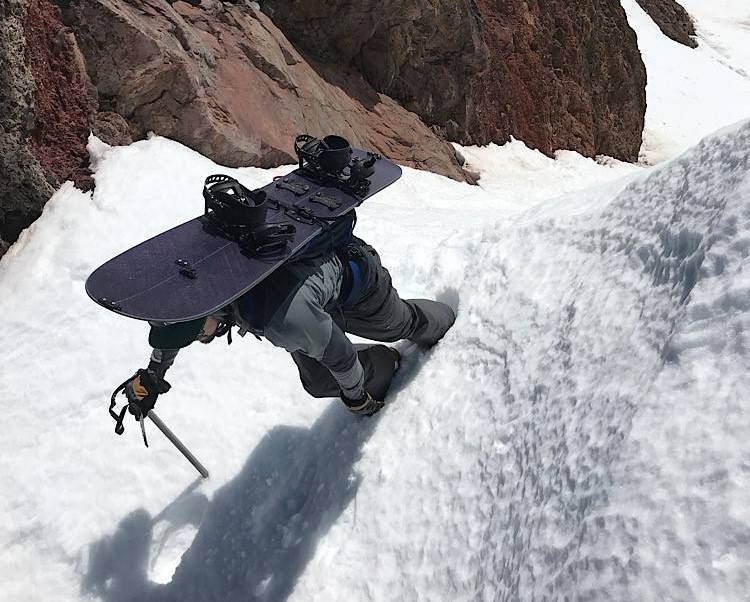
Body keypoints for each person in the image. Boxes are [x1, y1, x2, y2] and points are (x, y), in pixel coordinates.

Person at [124, 230, 456, 418]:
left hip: (358, 285)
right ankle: (385, 363)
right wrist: (153, 376)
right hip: (311, 301)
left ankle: (451, 324)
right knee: (317, 380)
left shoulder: (281, 321)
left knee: (400, 324)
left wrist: (358, 399)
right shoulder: (208, 283)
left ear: (206, 312)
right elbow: (173, 332)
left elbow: (340, 356)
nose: (196, 339)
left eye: (195, 333)